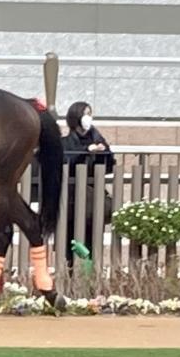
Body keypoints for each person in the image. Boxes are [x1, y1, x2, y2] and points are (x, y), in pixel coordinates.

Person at [63, 100, 116, 272]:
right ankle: (72, 268)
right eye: (85, 114)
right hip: (72, 199)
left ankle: (90, 271)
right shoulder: (66, 142)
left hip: (93, 197)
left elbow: (110, 165)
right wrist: (86, 151)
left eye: (90, 114)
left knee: (92, 237)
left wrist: (103, 152)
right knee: (72, 238)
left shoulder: (97, 138)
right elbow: (66, 161)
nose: (88, 118)